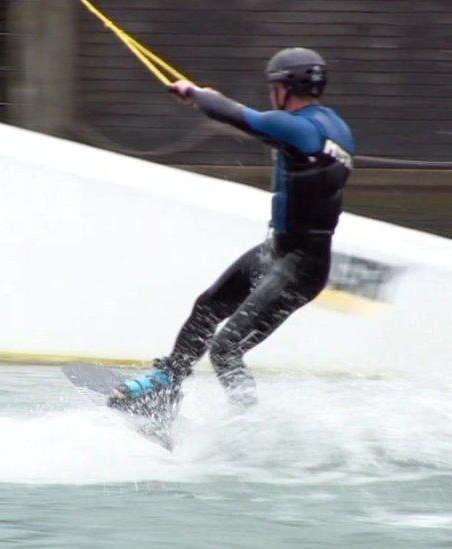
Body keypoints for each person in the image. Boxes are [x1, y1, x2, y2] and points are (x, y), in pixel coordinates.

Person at [108, 47, 356, 417]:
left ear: (284, 88)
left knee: (227, 349)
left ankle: (247, 424)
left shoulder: (298, 128)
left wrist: (193, 93)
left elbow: (238, 116)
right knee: (208, 306)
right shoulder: (335, 126)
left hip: (300, 267)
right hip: (280, 252)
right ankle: (166, 386)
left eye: (274, 87)